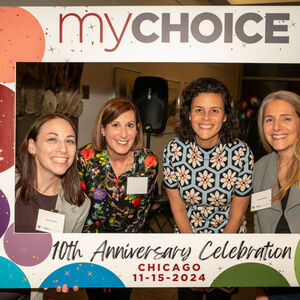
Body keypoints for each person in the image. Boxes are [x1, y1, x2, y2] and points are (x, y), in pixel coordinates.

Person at [163, 78, 253, 300]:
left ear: (225, 116)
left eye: (214, 110)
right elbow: (179, 210)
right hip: (187, 241)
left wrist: (213, 262)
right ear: (189, 114)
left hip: (227, 243)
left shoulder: (241, 154)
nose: (206, 118)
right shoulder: (173, 151)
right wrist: (195, 257)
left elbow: (237, 215)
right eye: (199, 110)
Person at [78, 97, 158, 300]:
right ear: (103, 129)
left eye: (130, 125)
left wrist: (118, 262)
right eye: (116, 125)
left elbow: (141, 217)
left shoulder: (148, 162)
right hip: (92, 250)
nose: (124, 134)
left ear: (137, 129)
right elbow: (79, 214)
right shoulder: (85, 159)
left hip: (128, 250)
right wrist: (102, 264)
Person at [11, 113, 91, 300]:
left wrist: (64, 272)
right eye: (52, 139)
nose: (63, 149)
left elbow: (63, 257)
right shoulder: (5, 182)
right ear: (32, 146)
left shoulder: (78, 205)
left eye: (70, 141)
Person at [253, 90, 300, 300]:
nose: (276, 127)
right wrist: (261, 289)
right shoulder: (260, 168)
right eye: (269, 120)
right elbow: (258, 228)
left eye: (286, 119)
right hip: (275, 284)